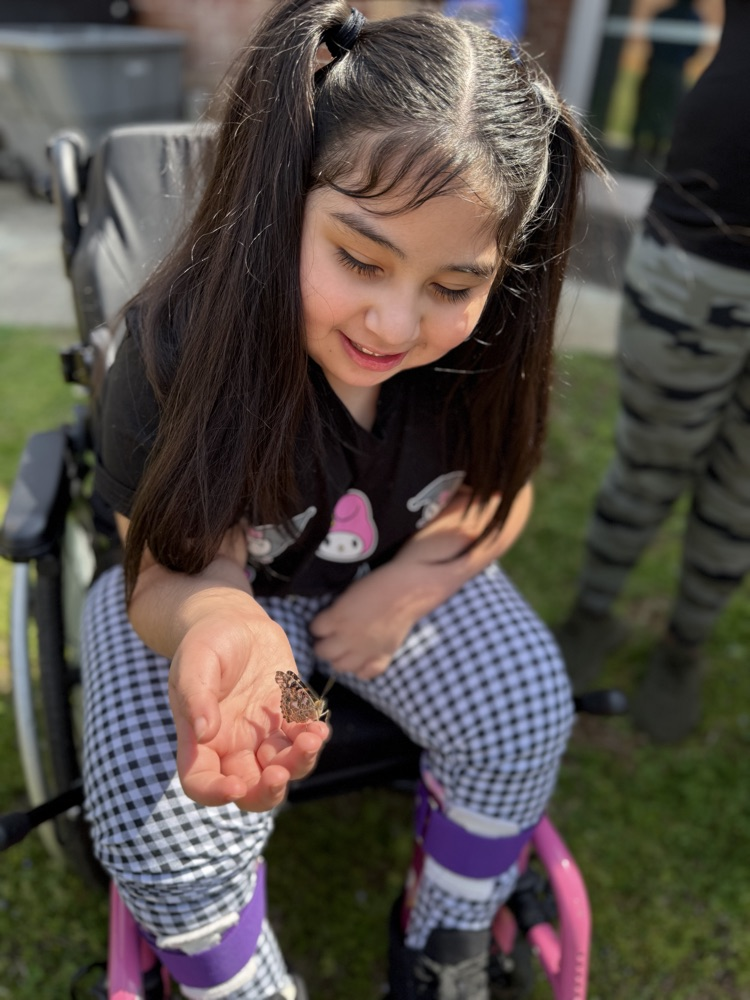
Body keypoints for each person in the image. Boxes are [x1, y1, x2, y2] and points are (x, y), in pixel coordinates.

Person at [80, 1, 599, 997]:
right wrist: (223, 620)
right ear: (282, 201)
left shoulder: (488, 350)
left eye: (453, 284)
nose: (395, 323)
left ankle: (446, 938)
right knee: (174, 823)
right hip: (220, 600)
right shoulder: (171, 347)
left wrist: (409, 588)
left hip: (387, 581)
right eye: (361, 259)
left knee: (526, 706)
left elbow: (498, 494)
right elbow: (160, 566)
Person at [555, 0, 750, 745]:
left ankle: (684, 646)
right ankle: (591, 613)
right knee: (649, 461)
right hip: (699, 260)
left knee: (742, 494)